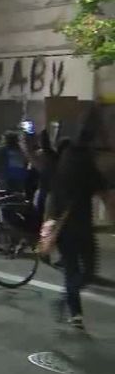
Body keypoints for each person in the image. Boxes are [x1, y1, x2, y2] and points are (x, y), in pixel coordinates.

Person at [46, 121, 105, 329]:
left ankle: (70, 302)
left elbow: (51, 200)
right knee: (86, 271)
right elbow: (105, 194)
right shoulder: (86, 166)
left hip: (64, 230)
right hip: (81, 228)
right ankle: (75, 312)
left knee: (72, 270)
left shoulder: (60, 166)